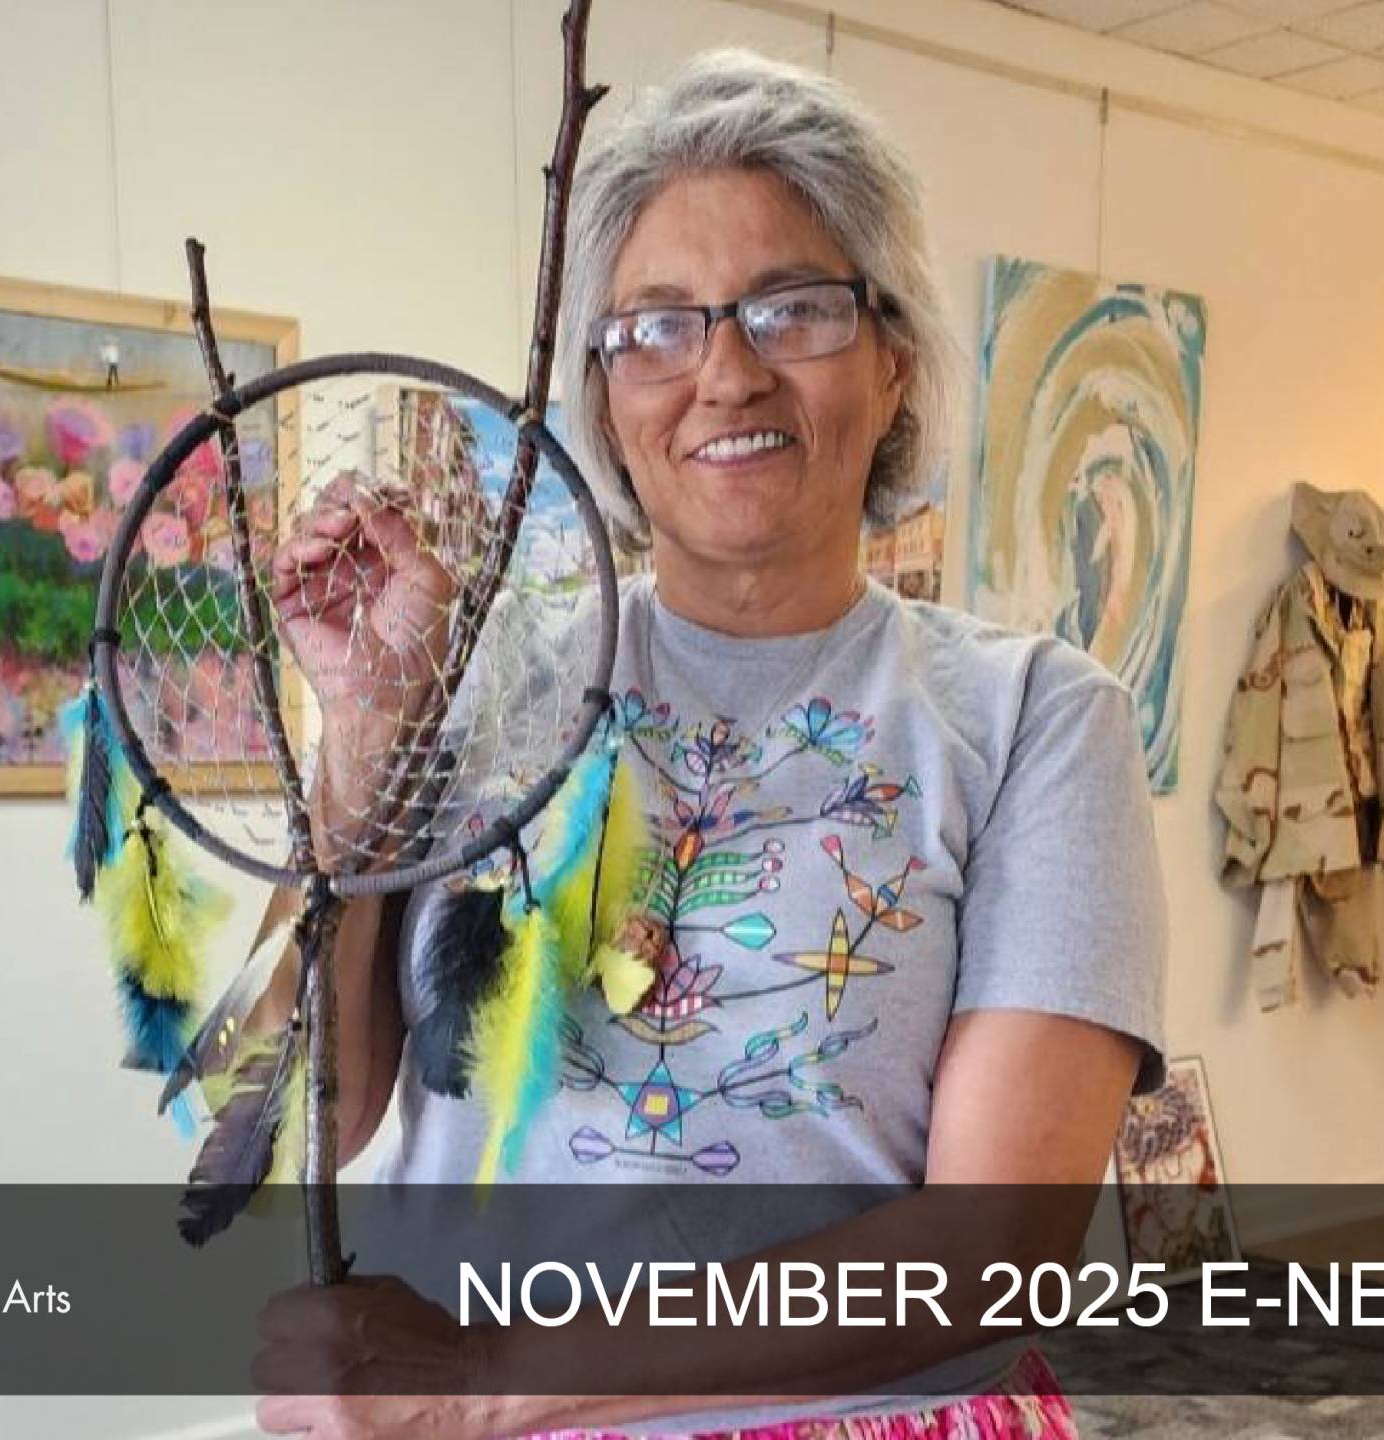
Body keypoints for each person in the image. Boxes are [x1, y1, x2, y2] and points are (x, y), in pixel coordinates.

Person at [250, 48, 1167, 1440]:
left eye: (790, 308)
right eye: (658, 327)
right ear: (605, 398)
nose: (725, 374)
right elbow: (291, 1110)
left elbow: (989, 1255)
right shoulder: (481, 690)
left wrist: (492, 1386)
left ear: (895, 352)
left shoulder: (1033, 716)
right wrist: (370, 732)